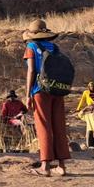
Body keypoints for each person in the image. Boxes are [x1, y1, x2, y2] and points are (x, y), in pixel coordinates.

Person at [23, 19, 70, 177]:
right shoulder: (54, 47)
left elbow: (31, 71)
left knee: (44, 125)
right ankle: (62, 166)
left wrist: (28, 94)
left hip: (40, 90)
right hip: (57, 89)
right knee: (59, 126)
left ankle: (45, 166)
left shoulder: (31, 47)